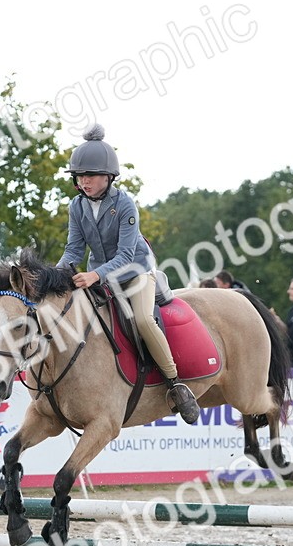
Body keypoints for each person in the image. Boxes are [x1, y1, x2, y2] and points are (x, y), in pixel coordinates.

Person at [54, 124, 200, 423]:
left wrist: (95, 276)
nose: (85, 182)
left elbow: (124, 255)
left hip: (136, 271)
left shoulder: (124, 204)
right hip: (101, 275)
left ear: (108, 177)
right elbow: (73, 250)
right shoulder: (77, 206)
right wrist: (53, 277)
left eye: (90, 176)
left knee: (143, 320)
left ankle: (175, 384)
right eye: (80, 177)